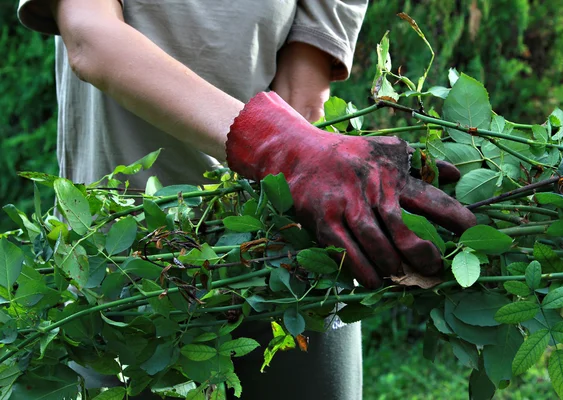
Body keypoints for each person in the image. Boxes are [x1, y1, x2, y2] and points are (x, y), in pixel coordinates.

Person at [17, 1, 475, 399]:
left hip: (281, 255)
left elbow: (301, 95)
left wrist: (295, 162)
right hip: (123, 267)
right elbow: (90, 37)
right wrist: (286, 148)